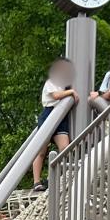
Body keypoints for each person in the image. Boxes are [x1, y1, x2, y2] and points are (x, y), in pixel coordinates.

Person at [31, 57, 77, 185]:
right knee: (41, 151)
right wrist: (71, 92)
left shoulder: (66, 85)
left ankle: (54, 178)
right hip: (49, 114)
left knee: (65, 148)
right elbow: (56, 95)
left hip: (61, 117)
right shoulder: (51, 82)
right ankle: (36, 181)